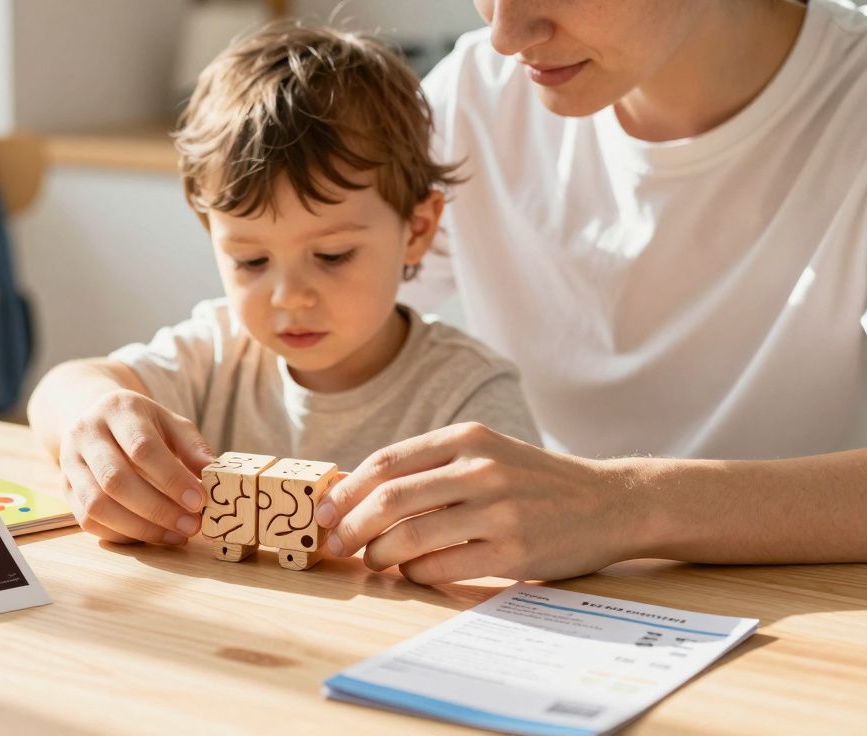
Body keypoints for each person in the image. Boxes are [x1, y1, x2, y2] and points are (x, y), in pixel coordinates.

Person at [316, 0, 867, 586]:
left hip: (808, 611)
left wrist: (625, 506)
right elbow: (313, 314)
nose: (505, 35)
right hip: (555, 599)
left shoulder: (849, 98)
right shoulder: (479, 91)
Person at [27, 25, 540, 547]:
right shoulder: (216, 352)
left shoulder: (470, 394)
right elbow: (60, 389)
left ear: (419, 230)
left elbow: (524, 532)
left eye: (332, 255)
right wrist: (93, 415)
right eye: (251, 260)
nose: (289, 296)